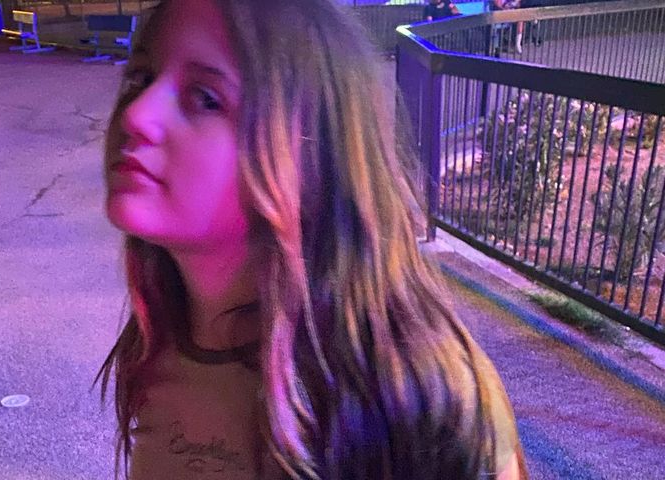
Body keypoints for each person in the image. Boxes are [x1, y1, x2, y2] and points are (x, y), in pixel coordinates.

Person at [98, 0, 528, 478]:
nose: (136, 114)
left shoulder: (416, 391)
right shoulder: (158, 343)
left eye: (205, 98)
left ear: (312, 159)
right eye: (140, 77)